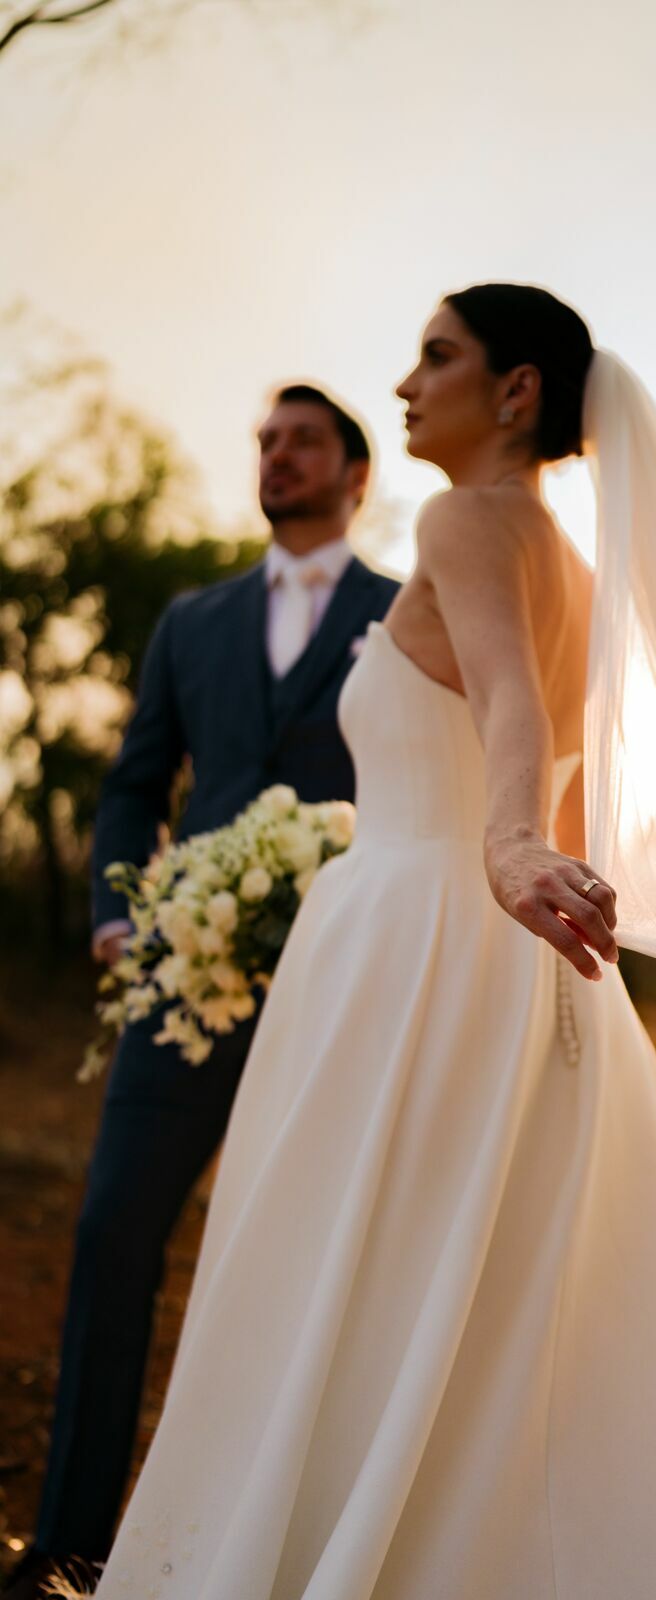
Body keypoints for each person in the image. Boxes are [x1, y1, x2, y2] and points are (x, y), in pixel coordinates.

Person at [77, 285, 656, 1600]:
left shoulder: (456, 518)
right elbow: (549, 751)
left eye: (434, 356)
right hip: (509, 963)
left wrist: (502, 847)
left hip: (415, 947)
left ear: (513, 395)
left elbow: (505, 703)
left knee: (366, 1272)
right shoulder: (576, 565)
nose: (405, 383)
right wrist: (525, 859)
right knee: (487, 1278)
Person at [5, 385, 401, 1600]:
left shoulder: (406, 614)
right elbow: (133, 783)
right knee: (115, 1227)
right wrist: (118, 912)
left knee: (323, 1259)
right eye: (265, 443)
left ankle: (301, 1545)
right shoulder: (192, 620)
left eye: (301, 442)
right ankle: (70, 1544)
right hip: (188, 979)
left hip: (345, 982)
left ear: (354, 471)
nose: (276, 458)